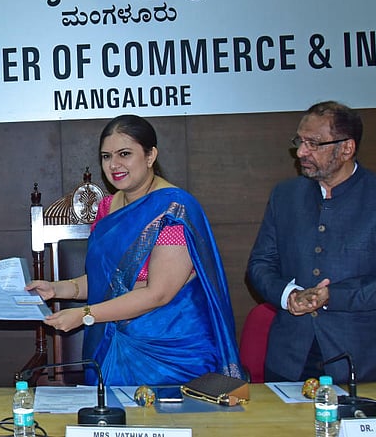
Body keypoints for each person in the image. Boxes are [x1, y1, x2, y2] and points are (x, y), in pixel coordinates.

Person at [26, 114, 242, 386]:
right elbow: (106, 281)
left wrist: (84, 315)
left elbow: (158, 293)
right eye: (106, 157)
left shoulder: (174, 209)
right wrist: (57, 289)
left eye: (124, 154)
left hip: (171, 356)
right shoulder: (106, 208)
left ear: (151, 155)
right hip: (109, 347)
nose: (114, 165)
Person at [247, 101, 376, 383]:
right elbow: (260, 264)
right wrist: (289, 295)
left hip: (361, 361)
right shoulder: (285, 196)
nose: (301, 152)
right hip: (290, 359)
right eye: (300, 141)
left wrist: (334, 296)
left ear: (346, 148)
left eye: (314, 144)